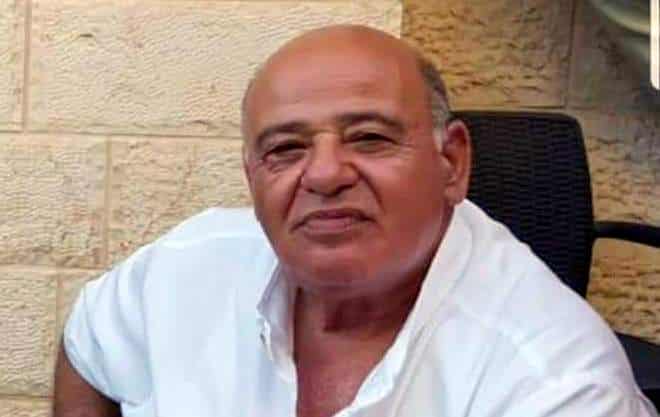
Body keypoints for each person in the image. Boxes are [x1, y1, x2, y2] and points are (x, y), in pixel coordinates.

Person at [54, 25, 658, 417]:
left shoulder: (557, 387)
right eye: (286, 149)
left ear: (451, 162)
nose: (323, 174)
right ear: (252, 176)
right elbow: (87, 348)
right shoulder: (186, 267)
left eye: (369, 138)